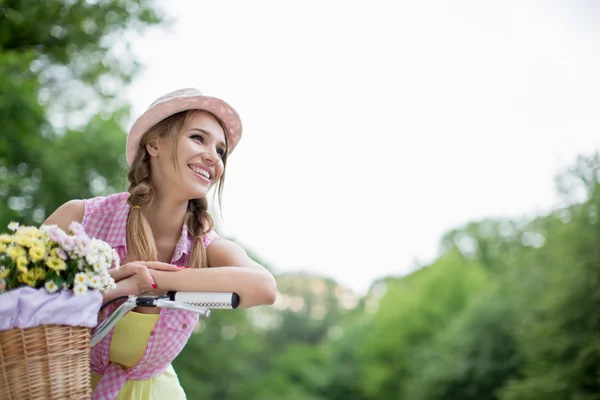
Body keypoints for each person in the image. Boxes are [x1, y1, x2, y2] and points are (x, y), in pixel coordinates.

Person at [43, 88, 277, 399]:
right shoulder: (80, 218)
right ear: (154, 143)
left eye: (220, 151)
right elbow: (15, 299)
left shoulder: (204, 245)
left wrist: (150, 280)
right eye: (198, 138)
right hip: (57, 381)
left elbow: (263, 287)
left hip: (155, 390)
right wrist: (120, 281)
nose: (212, 156)